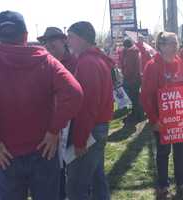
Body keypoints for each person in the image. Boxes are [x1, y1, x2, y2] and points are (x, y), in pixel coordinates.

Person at [0, 10, 83, 200]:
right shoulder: (46, 60)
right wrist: (54, 130)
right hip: (44, 150)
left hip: (5, 154)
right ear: (26, 35)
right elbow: (75, 93)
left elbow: (73, 93)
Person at [66, 21, 114, 200]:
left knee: (77, 187)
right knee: (97, 178)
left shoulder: (87, 62)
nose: (68, 42)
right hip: (98, 127)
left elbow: (88, 105)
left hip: (91, 130)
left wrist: (80, 141)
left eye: (70, 37)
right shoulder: (97, 59)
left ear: (82, 39)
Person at [141, 31, 183, 200]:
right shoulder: (152, 66)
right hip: (161, 120)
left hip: (179, 120)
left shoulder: (180, 63)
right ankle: (163, 184)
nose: (175, 46)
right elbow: (145, 96)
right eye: (171, 43)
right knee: (163, 153)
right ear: (161, 46)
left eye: (176, 42)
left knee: (180, 152)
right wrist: (153, 119)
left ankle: (181, 182)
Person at [38, 26, 77, 200]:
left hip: (75, 126)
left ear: (64, 41)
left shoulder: (76, 63)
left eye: (53, 39)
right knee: (57, 172)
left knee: (77, 172)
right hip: (53, 128)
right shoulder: (44, 65)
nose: (49, 44)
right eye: (46, 41)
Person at [120, 38, 144, 122]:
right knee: (136, 98)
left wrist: (125, 76)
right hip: (136, 78)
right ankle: (138, 115)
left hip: (132, 79)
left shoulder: (130, 53)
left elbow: (129, 68)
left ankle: (136, 116)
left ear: (126, 46)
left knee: (134, 99)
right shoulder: (136, 51)